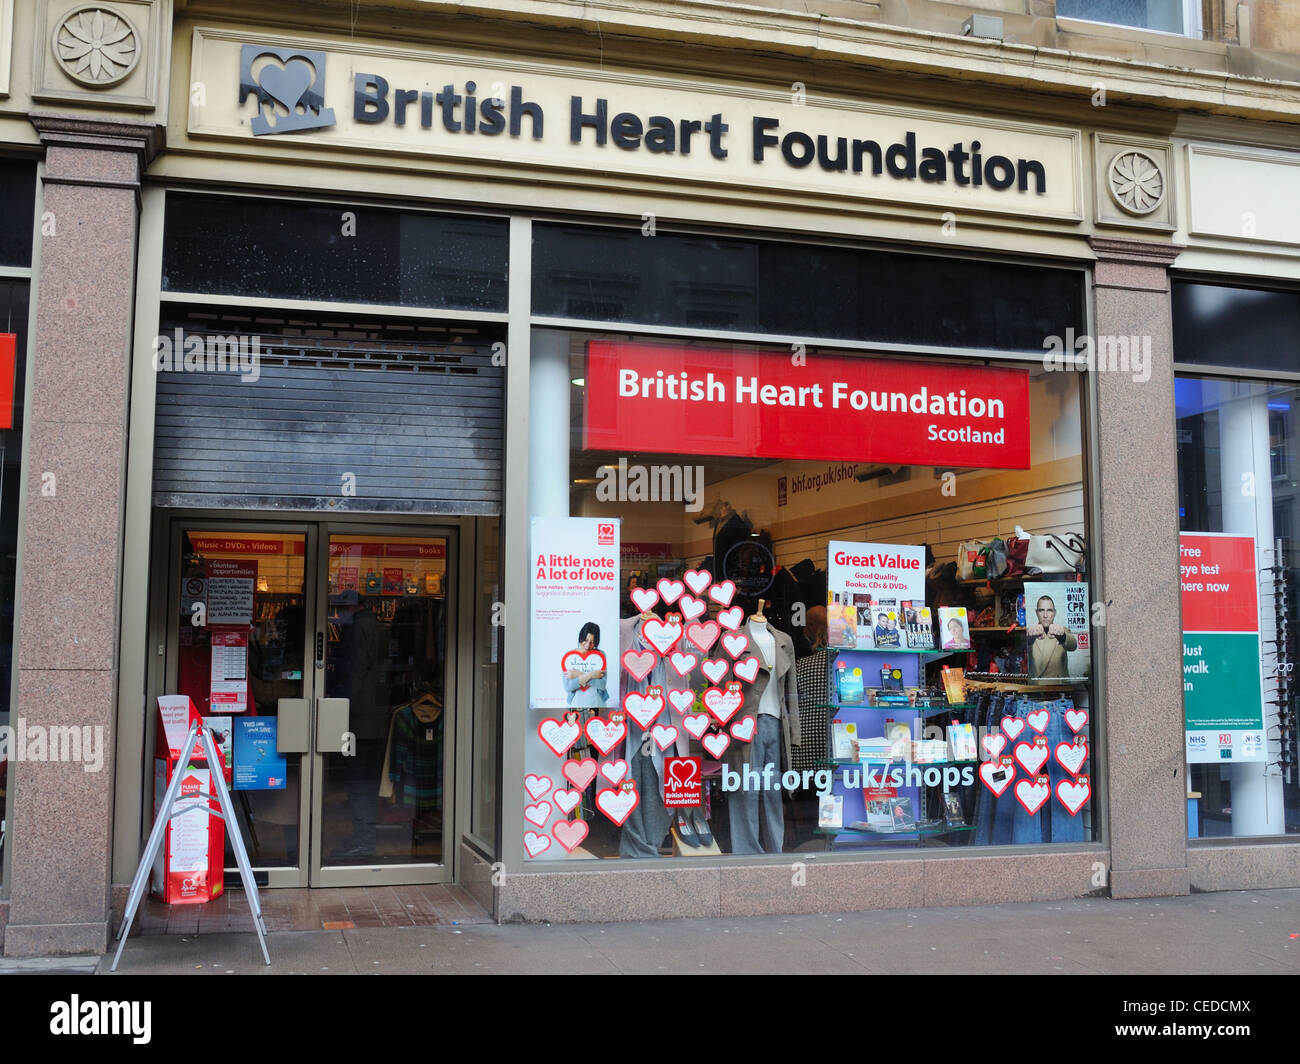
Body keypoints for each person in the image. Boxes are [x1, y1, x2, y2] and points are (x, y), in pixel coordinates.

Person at [1027, 595, 1078, 679]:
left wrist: (1063, 637)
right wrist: (1029, 638)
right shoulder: (1030, 632)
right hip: (1036, 687)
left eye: (1049, 610)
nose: (1045, 615)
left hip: (1058, 687)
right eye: (1041, 610)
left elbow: (1073, 645)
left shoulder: (1062, 630)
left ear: (1054, 613)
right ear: (1036, 613)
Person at [564, 622, 609, 708]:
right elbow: (568, 687)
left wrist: (577, 674)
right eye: (586, 640)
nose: (588, 645)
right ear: (581, 637)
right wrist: (592, 675)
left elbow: (602, 685)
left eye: (592, 642)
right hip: (575, 702)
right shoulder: (570, 657)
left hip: (598, 702)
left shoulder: (601, 655)